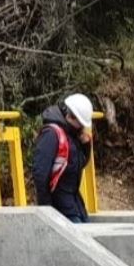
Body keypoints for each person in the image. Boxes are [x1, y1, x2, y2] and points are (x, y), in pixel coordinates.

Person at [31, 93, 95, 223]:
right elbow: (40, 174)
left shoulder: (72, 134)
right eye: (81, 123)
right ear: (71, 116)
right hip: (60, 209)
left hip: (74, 206)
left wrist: (86, 146)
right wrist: (47, 211)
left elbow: (79, 164)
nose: (83, 127)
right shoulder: (52, 134)